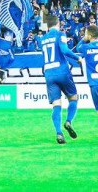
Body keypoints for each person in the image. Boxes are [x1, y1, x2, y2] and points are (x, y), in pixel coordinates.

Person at [38, 14, 82, 144]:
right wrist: (78, 58)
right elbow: (64, 50)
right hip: (62, 71)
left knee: (56, 105)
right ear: (58, 24)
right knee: (73, 98)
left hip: (49, 73)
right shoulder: (60, 34)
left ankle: (59, 133)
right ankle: (68, 122)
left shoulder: (42, 39)